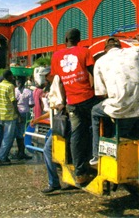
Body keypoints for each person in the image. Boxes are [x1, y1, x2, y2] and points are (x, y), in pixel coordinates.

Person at [90, 34, 139, 165]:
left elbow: (101, 93)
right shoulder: (135, 51)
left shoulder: (100, 62)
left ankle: (95, 155)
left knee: (95, 111)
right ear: (120, 47)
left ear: (105, 50)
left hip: (119, 107)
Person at [50, 28, 96, 186]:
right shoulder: (85, 51)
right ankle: (96, 159)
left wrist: (64, 100)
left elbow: (60, 81)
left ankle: (80, 172)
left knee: (77, 134)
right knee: (101, 125)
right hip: (88, 97)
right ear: (79, 39)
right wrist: (96, 91)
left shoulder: (56, 56)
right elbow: (93, 73)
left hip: (71, 102)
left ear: (65, 39)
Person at [0, 70, 19, 165]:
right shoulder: (10, 86)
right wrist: (18, 114)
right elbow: (13, 101)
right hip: (9, 115)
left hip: (0, 115)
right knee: (8, 138)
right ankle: (2, 157)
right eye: (12, 76)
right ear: (9, 76)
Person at [14, 76, 34, 160]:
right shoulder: (28, 91)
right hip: (25, 113)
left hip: (16, 113)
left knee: (18, 133)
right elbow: (31, 104)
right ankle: (22, 152)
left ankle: (19, 152)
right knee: (23, 133)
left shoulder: (14, 90)